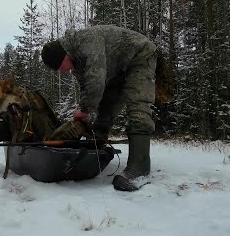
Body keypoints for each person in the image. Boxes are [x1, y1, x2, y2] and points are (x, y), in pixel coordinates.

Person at [40, 25, 157, 192]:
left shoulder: (86, 43)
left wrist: (85, 110)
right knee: (106, 108)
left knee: (138, 105)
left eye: (61, 67)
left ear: (64, 55)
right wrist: (85, 111)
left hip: (140, 56)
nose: (63, 72)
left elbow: (95, 81)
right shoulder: (76, 59)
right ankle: (96, 146)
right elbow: (86, 87)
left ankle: (140, 170)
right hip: (118, 68)